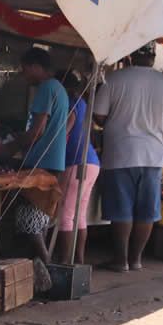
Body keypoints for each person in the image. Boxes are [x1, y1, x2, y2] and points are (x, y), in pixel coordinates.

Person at [93, 45, 163, 272]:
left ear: (131, 55)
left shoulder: (115, 79)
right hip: (153, 155)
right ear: (153, 59)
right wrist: (160, 130)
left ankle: (120, 260)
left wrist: (115, 122)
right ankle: (136, 259)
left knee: (121, 210)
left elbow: (100, 116)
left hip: (120, 152)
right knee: (146, 211)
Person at [9, 47, 69, 283]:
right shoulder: (60, 89)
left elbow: (36, 131)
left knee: (29, 220)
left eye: (25, 69)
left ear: (36, 66)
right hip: (53, 161)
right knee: (40, 219)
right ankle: (38, 274)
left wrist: (11, 144)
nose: (24, 74)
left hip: (41, 161)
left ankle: (49, 268)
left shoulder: (46, 88)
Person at [56, 75, 100, 265]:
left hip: (75, 162)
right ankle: (79, 262)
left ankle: (65, 263)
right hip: (91, 162)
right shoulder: (82, 102)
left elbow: (62, 133)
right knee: (80, 215)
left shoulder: (70, 105)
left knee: (65, 215)